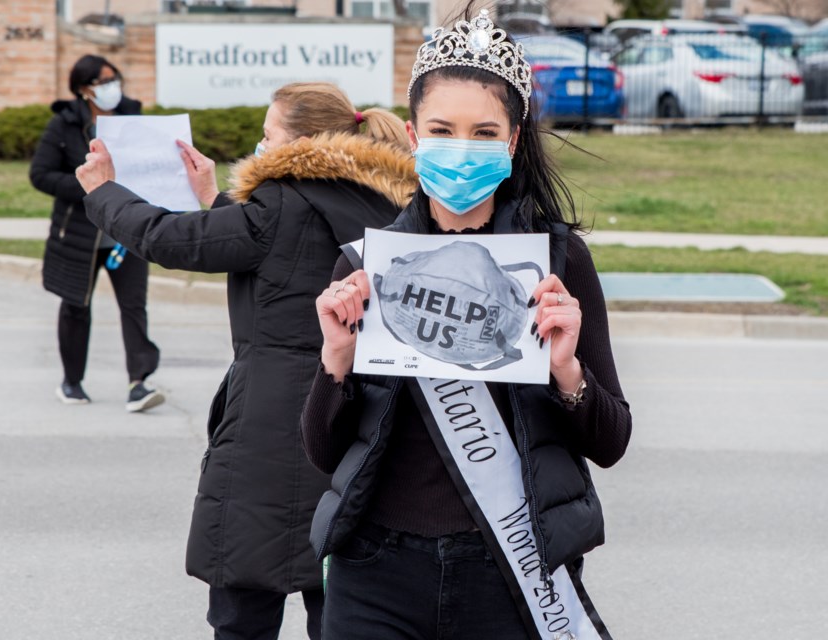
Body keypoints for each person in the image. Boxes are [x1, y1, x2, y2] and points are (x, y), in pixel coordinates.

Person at [301, 7, 633, 640]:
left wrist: (567, 371)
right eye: (442, 129)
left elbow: (611, 441)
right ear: (412, 135)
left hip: (510, 572)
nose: (462, 147)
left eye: (484, 133)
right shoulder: (362, 268)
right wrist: (335, 361)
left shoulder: (558, 264)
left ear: (512, 141)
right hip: (374, 572)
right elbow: (321, 452)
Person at [73, 82, 418, 639]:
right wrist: (214, 195)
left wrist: (105, 192)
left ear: (300, 144)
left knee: (243, 609)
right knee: (339, 609)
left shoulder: (279, 203)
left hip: (270, 430)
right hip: (358, 421)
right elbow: (280, 255)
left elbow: (171, 239)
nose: (260, 145)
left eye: (267, 134)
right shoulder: (384, 202)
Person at [30, 54, 164, 413]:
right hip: (78, 236)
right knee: (76, 305)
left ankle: (139, 383)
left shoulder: (132, 118)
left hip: (127, 232)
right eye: (102, 82)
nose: (111, 87)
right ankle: (72, 381)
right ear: (83, 88)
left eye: (113, 79)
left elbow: (149, 165)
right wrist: (91, 187)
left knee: (134, 307)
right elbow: (40, 174)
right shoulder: (64, 124)